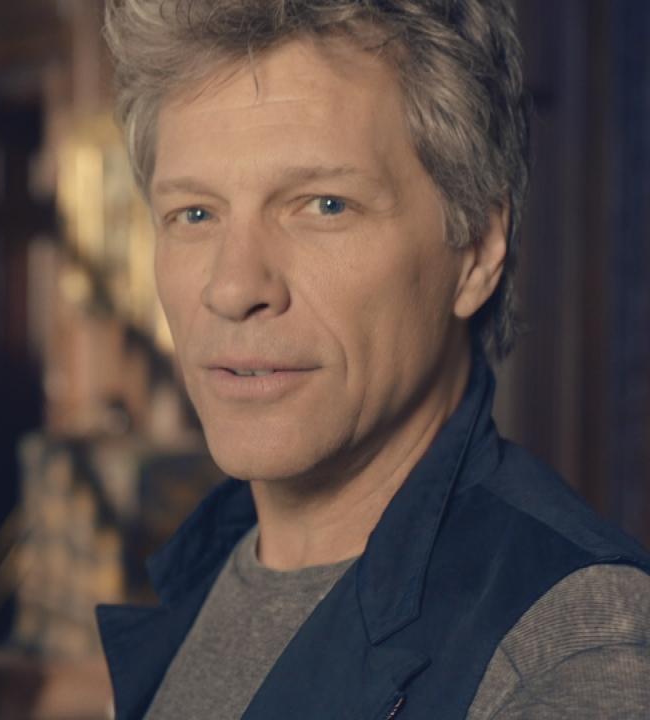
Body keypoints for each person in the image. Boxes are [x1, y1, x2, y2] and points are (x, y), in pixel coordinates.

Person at [95, 1, 650, 718]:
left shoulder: (575, 647)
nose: (232, 287)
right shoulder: (218, 564)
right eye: (194, 214)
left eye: (325, 205)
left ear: (477, 250)